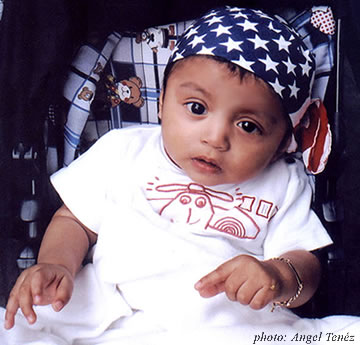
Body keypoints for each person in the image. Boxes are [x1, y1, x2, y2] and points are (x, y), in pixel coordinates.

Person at [2, 7, 359, 345]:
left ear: (283, 141)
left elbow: (304, 264)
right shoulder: (123, 150)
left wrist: (278, 277)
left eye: (248, 126)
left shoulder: (282, 181)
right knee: (19, 323)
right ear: (161, 104)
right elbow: (74, 220)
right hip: (114, 306)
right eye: (197, 108)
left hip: (225, 323)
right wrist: (55, 265)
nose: (215, 137)